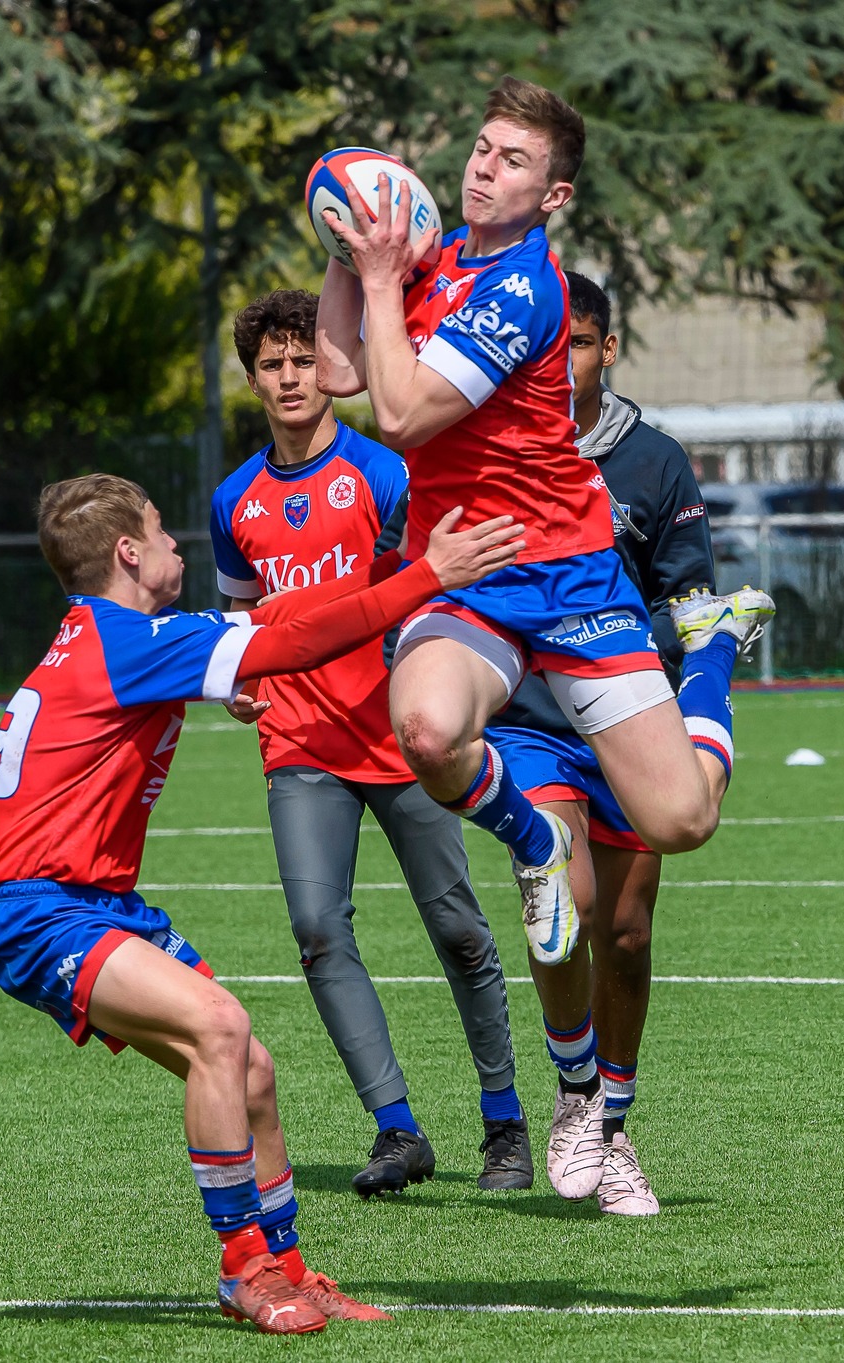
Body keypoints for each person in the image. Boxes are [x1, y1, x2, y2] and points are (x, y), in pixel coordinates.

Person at [0, 473, 520, 1332]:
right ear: (127, 552)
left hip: (96, 903)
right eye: (160, 531)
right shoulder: (124, 641)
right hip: (45, 912)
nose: (176, 545)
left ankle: (293, 1268)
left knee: (251, 1068)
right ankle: (243, 1269)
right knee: (221, 1031)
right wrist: (426, 575)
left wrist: (207, 680)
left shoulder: (116, 638)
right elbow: (297, 638)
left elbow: (256, 630)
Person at [315, 76, 772, 968]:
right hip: (470, 571)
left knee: (681, 820)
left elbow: (402, 417)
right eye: (483, 148)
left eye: (513, 161)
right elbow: (341, 370)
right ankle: (534, 843)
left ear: (552, 196)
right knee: (430, 731)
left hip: (567, 574)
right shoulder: (431, 259)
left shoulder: (523, 288)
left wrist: (377, 275)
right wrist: (345, 246)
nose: (484, 169)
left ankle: (713, 648)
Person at [209, 289, 531, 1197]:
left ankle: (504, 1122)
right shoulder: (234, 497)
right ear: (252, 380)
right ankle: (396, 1128)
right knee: (317, 930)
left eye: (304, 359)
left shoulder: (386, 474)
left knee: (458, 928)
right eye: (272, 364)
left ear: (331, 372)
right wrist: (240, 679)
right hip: (299, 745)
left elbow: (436, 587)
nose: (289, 377)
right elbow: (243, 620)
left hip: (400, 739)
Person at [484, 272, 735, 1213]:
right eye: (549, 349)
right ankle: (575, 1089)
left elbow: (689, 595)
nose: (562, 365)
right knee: (559, 894)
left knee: (625, 932)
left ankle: (614, 1128)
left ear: (608, 349)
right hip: (534, 723)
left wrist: (686, 649)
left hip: (631, 717)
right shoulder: (500, 451)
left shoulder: (654, 461)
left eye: (579, 346)